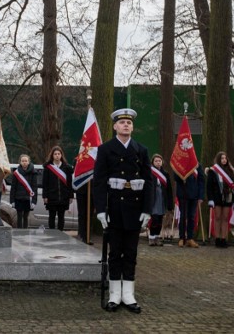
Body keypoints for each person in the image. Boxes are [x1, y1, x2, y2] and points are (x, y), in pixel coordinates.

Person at [93, 108, 153, 314]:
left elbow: (149, 182)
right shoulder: (105, 149)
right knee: (115, 253)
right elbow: (99, 181)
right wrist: (100, 209)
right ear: (115, 126)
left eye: (129, 122)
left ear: (132, 126)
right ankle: (114, 295)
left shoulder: (141, 150)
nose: (126, 125)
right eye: (122, 122)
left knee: (131, 252)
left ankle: (128, 294)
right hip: (114, 208)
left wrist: (147, 210)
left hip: (135, 208)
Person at [206, 151, 234, 248]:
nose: (224, 160)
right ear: (218, 159)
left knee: (225, 219)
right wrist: (210, 199)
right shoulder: (213, 171)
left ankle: (224, 239)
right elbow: (209, 186)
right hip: (217, 197)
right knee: (217, 218)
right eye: (222, 158)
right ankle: (217, 239)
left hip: (228, 197)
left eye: (225, 158)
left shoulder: (230, 170)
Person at [42, 146, 73, 231]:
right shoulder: (48, 168)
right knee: (51, 216)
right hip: (52, 197)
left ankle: (60, 233)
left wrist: (71, 196)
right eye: (55, 154)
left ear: (61, 155)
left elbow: (70, 183)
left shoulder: (66, 168)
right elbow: (45, 183)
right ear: (52, 155)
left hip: (63, 197)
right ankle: (52, 234)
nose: (57, 155)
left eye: (59, 154)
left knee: (61, 216)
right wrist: (45, 196)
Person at [174, 163, 205, 249]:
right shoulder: (181, 163)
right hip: (183, 194)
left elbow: (201, 181)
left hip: (194, 195)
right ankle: (181, 238)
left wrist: (201, 196)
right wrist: (182, 175)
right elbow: (175, 178)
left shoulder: (197, 165)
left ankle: (190, 238)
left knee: (191, 217)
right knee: (183, 216)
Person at [149, 154, 173, 246]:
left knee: (159, 220)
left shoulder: (165, 174)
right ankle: (151, 237)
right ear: (153, 162)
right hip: (153, 199)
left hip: (162, 199)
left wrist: (170, 204)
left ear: (162, 162)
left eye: (159, 161)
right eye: (156, 161)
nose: (158, 163)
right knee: (154, 219)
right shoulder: (150, 172)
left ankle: (157, 237)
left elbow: (169, 189)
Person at [9, 154, 38, 229]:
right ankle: (19, 232)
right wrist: (12, 200)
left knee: (26, 216)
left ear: (29, 162)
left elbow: (34, 188)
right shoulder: (16, 173)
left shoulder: (33, 172)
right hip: (18, 198)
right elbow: (13, 187)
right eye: (23, 161)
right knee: (19, 216)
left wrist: (34, 201)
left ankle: (25, 232)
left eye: (26, 161)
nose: (24, 162)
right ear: (20, 162)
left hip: (28, 199)